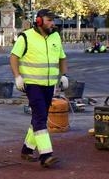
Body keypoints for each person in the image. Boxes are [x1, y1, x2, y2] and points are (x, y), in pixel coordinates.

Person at [10, 9, 68, 168]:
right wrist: (17, 77)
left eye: (53, 20)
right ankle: (46, 155)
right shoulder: (26, 36)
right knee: (41, 117)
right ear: (40, 21)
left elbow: (62, 57)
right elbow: (14, 57)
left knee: (38, 116)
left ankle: (27, 150)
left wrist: (64, 75)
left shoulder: (55, 36)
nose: (52, 23)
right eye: (49, 20)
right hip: (32, 84)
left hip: (49, 85)